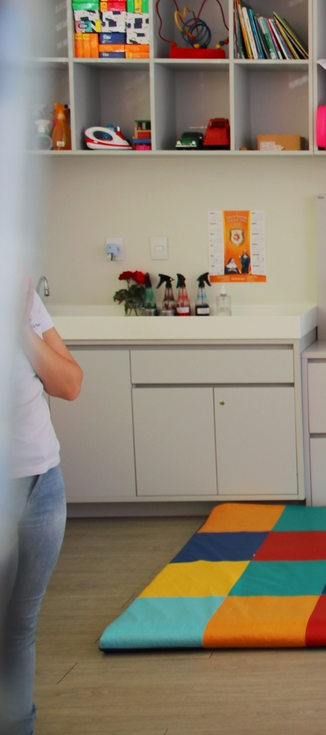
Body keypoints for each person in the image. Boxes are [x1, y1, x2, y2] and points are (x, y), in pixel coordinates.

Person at [2, 278, 83, 735]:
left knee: (19, 625)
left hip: (41, 484)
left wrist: (18, 329)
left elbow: (69, 383)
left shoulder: (24, 302)